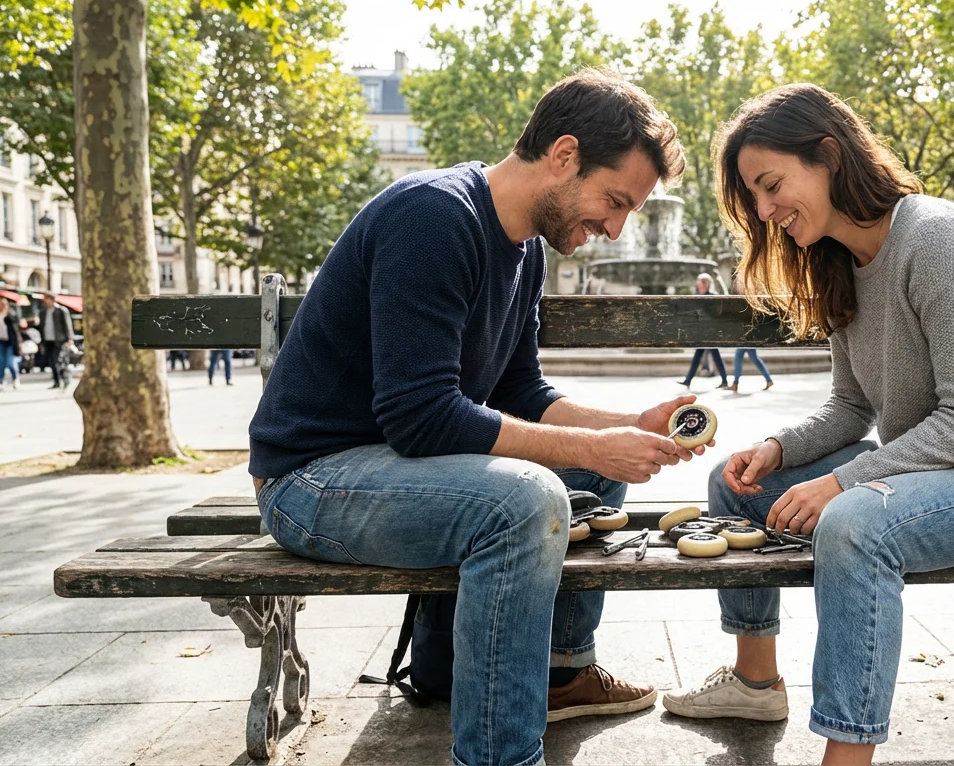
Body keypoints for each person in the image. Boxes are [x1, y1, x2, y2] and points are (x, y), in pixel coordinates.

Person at [249, 68, 706, 766]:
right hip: (312, 481)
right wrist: (592, 444)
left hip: (396, 469)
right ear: (563, 155)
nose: (615, 228)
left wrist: (633, 426)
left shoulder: (524, 251)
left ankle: (560, 674)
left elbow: (522, 390)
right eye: (614, 201)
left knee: (593, 466)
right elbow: (421, 418)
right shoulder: (433, 217)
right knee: (527, 502)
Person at [662, 84, 954, 766]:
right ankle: (756, 680)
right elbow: (852, 408)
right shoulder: (841, 265)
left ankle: (846, 755)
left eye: (771, 186)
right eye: (755, 198)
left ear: (827, 154)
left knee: (853, 524)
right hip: (939, 467)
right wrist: (775, 448)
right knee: (732, 483)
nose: (765, 211)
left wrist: (843, 482)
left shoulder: (937, 240)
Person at [680, 273, 730, 389]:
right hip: (702, 332)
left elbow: (717, 314)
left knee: (715, 356)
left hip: (710, 333)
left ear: (705, 284)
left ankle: (724, 381)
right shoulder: (697, 296)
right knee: (697, 357)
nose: (698, 285)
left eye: (700, 283)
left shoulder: (712, 296)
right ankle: (688, 380)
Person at [36, 293, 75, 389]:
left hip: (60, 340)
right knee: (52, 362)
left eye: (47, 299)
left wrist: (70, 338)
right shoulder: (43, 312)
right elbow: (41, 327)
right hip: (47, 340)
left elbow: (67, 325)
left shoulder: (61, 310)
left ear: (52, 299)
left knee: (59, 360)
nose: (45, 301)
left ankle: (66, 380)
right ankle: (57, 381)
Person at [0, 300, 20, 390]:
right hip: (1, 341)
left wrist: (8, 313)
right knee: (1, 362)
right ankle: (1, 381)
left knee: (10, 362)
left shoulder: (10, 315)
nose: (2, 306)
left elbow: (16, 323)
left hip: (10, 342)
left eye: (4, 304)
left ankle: (15, 378)